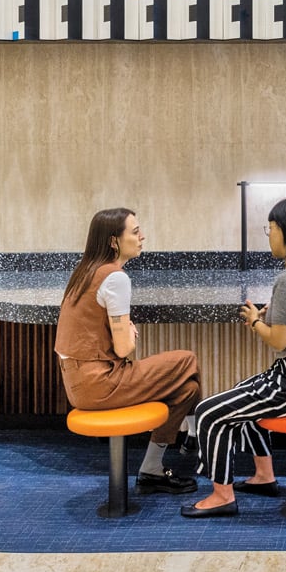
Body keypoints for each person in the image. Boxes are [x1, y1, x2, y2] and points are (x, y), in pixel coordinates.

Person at [181, 197, 286, 518]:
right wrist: (272, 314)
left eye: (270, 228)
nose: (268, 235)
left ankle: (221, 496)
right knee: (244, 394)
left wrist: (255, 321)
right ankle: (264, 476)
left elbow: (280, 341)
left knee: (209, 412)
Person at [55, 207, 202, 493]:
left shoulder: (85, 271)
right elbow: (124, 349)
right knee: (188, 360)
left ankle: (152, 469)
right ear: (114, 241)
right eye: (135, 232)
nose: (142, 236)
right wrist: (131, 333)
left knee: (188, 391)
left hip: (80, 383)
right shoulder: (115, 278)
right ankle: (195, 437)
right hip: (100, 384)